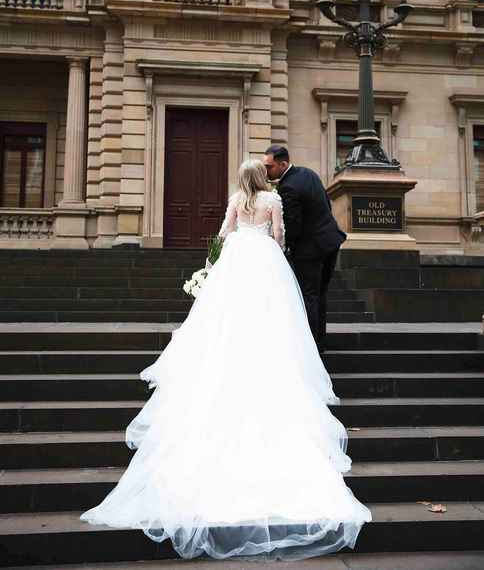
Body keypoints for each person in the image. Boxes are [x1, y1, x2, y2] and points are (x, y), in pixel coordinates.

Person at [80, 159, 371, 560]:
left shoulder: (237, 198)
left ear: (241, 180)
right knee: (273, 316)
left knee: (225, 316)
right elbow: (281, 234)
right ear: (262, 177)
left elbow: (224, 232)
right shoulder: (272, 198)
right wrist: (276, 246)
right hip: (265, 260)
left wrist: (215, 260)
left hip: (237, 258)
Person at [263, 145, 347, 351]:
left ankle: (311, 347)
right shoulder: (308, 173)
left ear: (283, 164)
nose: (266, 171)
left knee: (308, 295)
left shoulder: (287, 187)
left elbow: (294, 225)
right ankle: (319, 340)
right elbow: (326, 204)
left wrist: (286, 248)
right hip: (330, 241)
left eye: (269, 166)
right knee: (320, 294)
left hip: (310, 249)